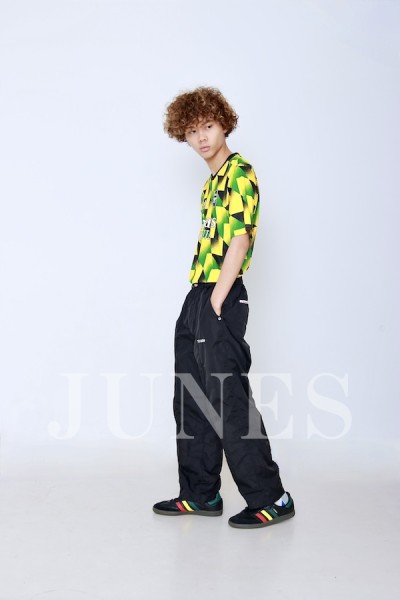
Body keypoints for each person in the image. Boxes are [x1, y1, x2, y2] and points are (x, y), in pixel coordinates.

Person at [152, 86, 295, 529]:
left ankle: (272, 497)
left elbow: (240, 239)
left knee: (227, 397)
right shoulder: (210, 184)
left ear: (224, 124)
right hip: (199, 294)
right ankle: (201, 493)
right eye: (192, 130)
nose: (201, 137)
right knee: (190, 396)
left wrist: (216, 300)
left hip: (221, 294)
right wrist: (200, 301)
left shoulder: (239, 172)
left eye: (208, 126)